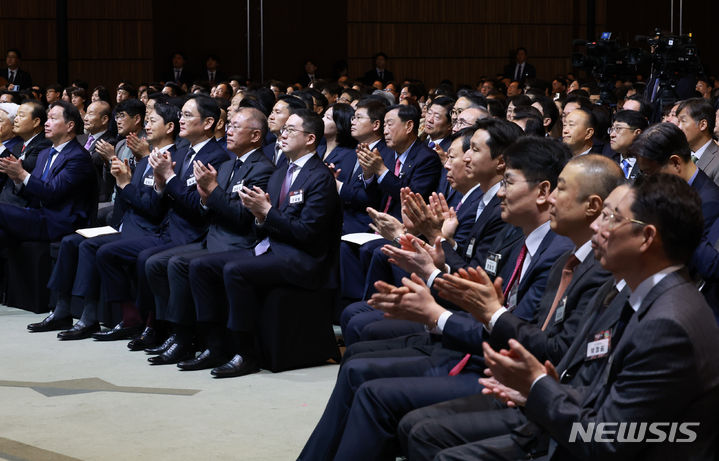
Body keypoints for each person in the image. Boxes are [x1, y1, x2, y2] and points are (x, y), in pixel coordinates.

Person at [476, 174, 719, 460]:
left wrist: (539, 388)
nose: (595, 226)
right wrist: (542, 390)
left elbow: (607, 442)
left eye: (610, 217)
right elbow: (614, 401)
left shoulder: (667, 325)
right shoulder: (655, 296)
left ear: (646, 237)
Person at [186, 109, 342, 377]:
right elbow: (266, 223)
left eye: (291, 130)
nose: (283, 134)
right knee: (201, 266)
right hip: (272, 248)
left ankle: (245, 353)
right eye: (284, 129)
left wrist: (267, 213)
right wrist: (260, 217)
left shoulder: (320, 177)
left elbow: (309, 234)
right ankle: (214, 345)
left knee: (235, 270)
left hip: (304, 259)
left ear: (310, 139)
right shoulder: (281, 172)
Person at [142, 107, 274, 362]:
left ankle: (201, 342)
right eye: (230, 125)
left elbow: (240, 217)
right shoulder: (226, 165)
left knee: (180, 264)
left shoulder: (263, 169)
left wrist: (212, 192)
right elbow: (208, 209)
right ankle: (176, 332)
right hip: (213, 237)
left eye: (236, 127)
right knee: (156, 263)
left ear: (256, 136)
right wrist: (205, 200)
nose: (229, 131)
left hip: (239, 242)